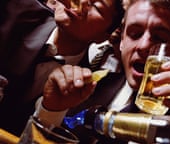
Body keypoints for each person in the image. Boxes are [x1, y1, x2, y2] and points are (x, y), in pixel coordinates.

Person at [34, 0, 170, 143]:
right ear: (121, 42)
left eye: (159, 38)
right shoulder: (88, 87)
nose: (144, 46)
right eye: (135, 34)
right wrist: (51, 110)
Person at [0, 0, 124, 136]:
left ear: (104, 36)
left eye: (96, 6)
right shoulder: (14, 11)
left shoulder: (86, 92)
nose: (81, 3)